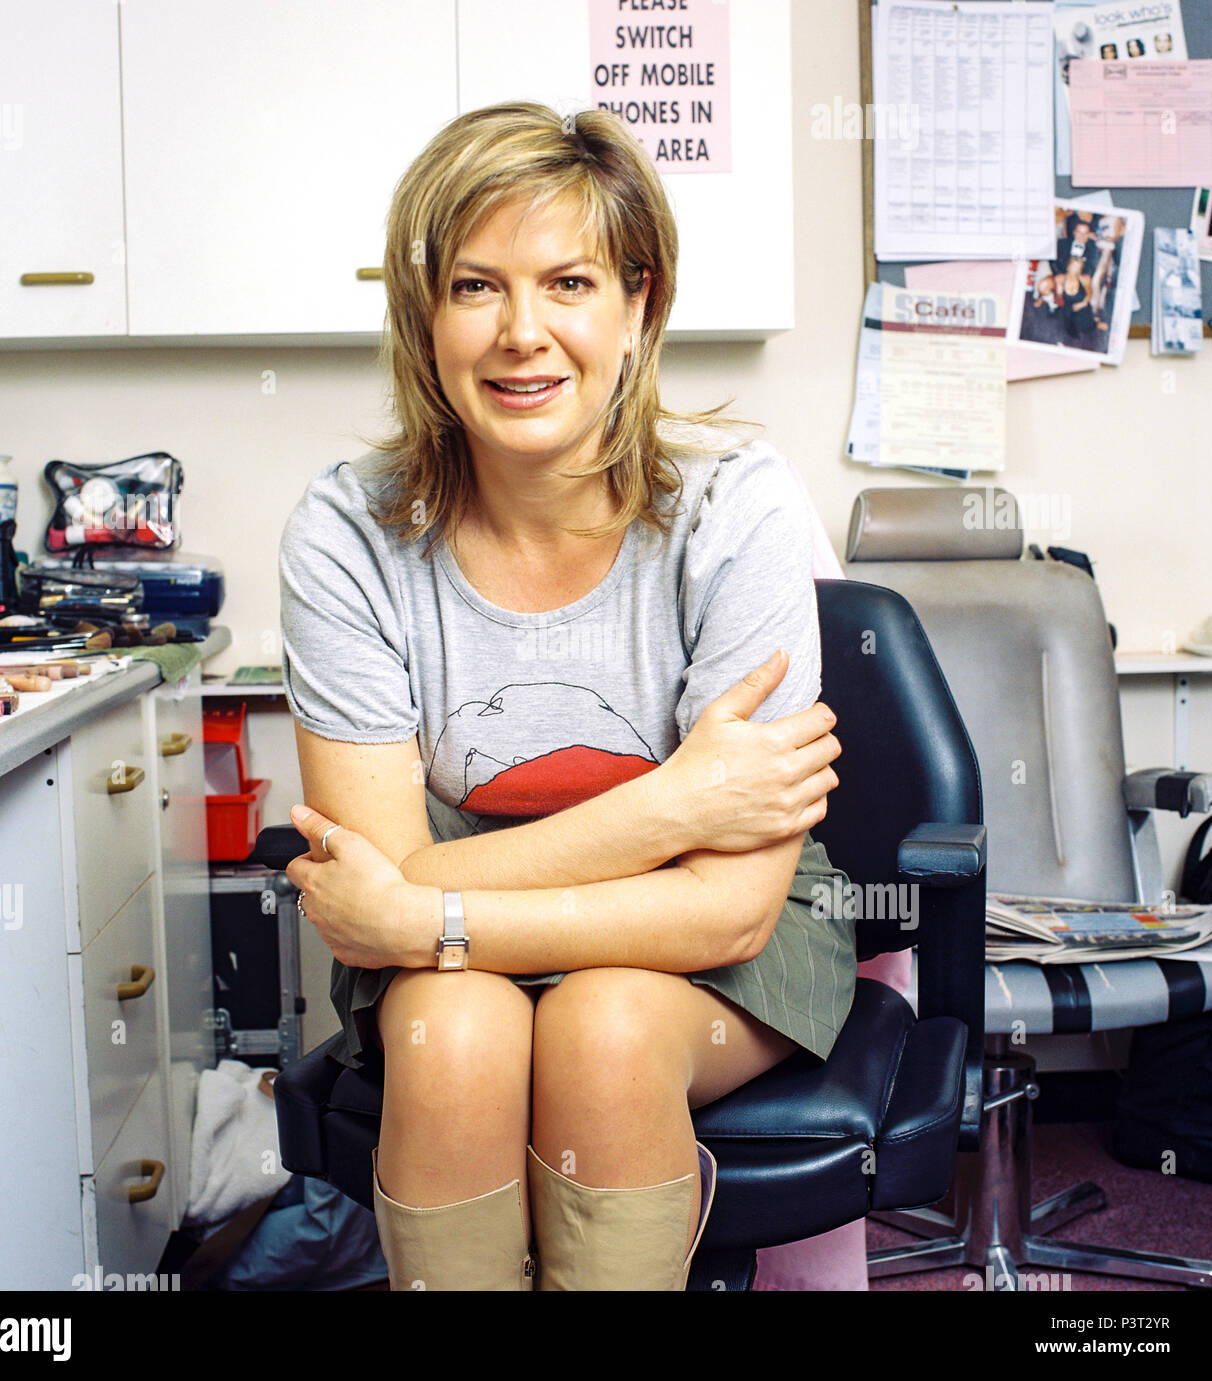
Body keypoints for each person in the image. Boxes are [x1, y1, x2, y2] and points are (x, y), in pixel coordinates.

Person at [277, 102, 854, 1292]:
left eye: (571, 282)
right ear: (421, 314)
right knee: (452, 1040)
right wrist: (668, 808)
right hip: (494, 928)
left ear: (638, 304)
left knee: (600, 1028)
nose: (522, 334)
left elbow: (729, 913)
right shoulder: (344, 531)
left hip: (714, 933)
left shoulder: (734, 507)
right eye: (476, 286)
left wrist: (426, 916)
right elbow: (376, 865)